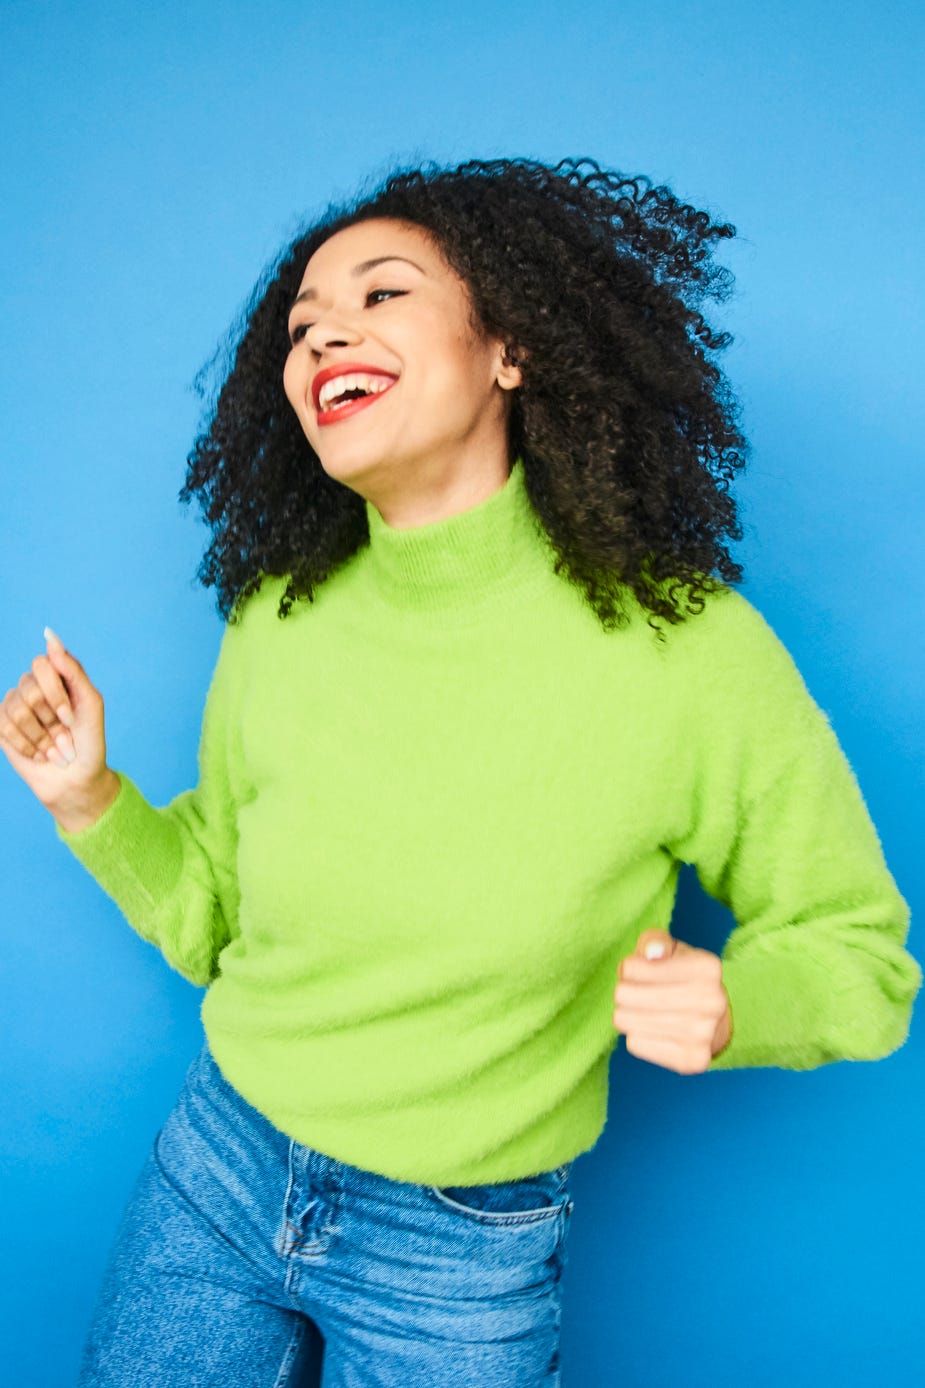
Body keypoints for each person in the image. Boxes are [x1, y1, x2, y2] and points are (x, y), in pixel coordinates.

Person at [1, 157, 920, 1387]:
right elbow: (218, 913)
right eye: (303, 323)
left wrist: (742, 1003)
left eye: (380, 294)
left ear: (512, 351)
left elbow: (859, 952)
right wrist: (89, 799)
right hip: (219, 1163)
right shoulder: (279, 615)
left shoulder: (682, 646)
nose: (326, 329)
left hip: (460, 1241)